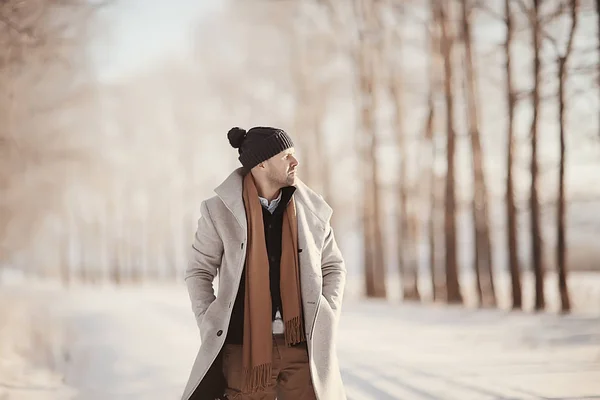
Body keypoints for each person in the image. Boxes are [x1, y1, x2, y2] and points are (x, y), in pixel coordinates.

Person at [180, 126, 347, 400]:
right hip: (243, 350)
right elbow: (199, 271)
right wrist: (209, 319)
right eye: (287, 156)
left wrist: (328, 310)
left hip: (302, 348)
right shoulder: (218, 211)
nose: (296, 162)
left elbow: (333, 266)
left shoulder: (311, 209)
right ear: (261, 163)